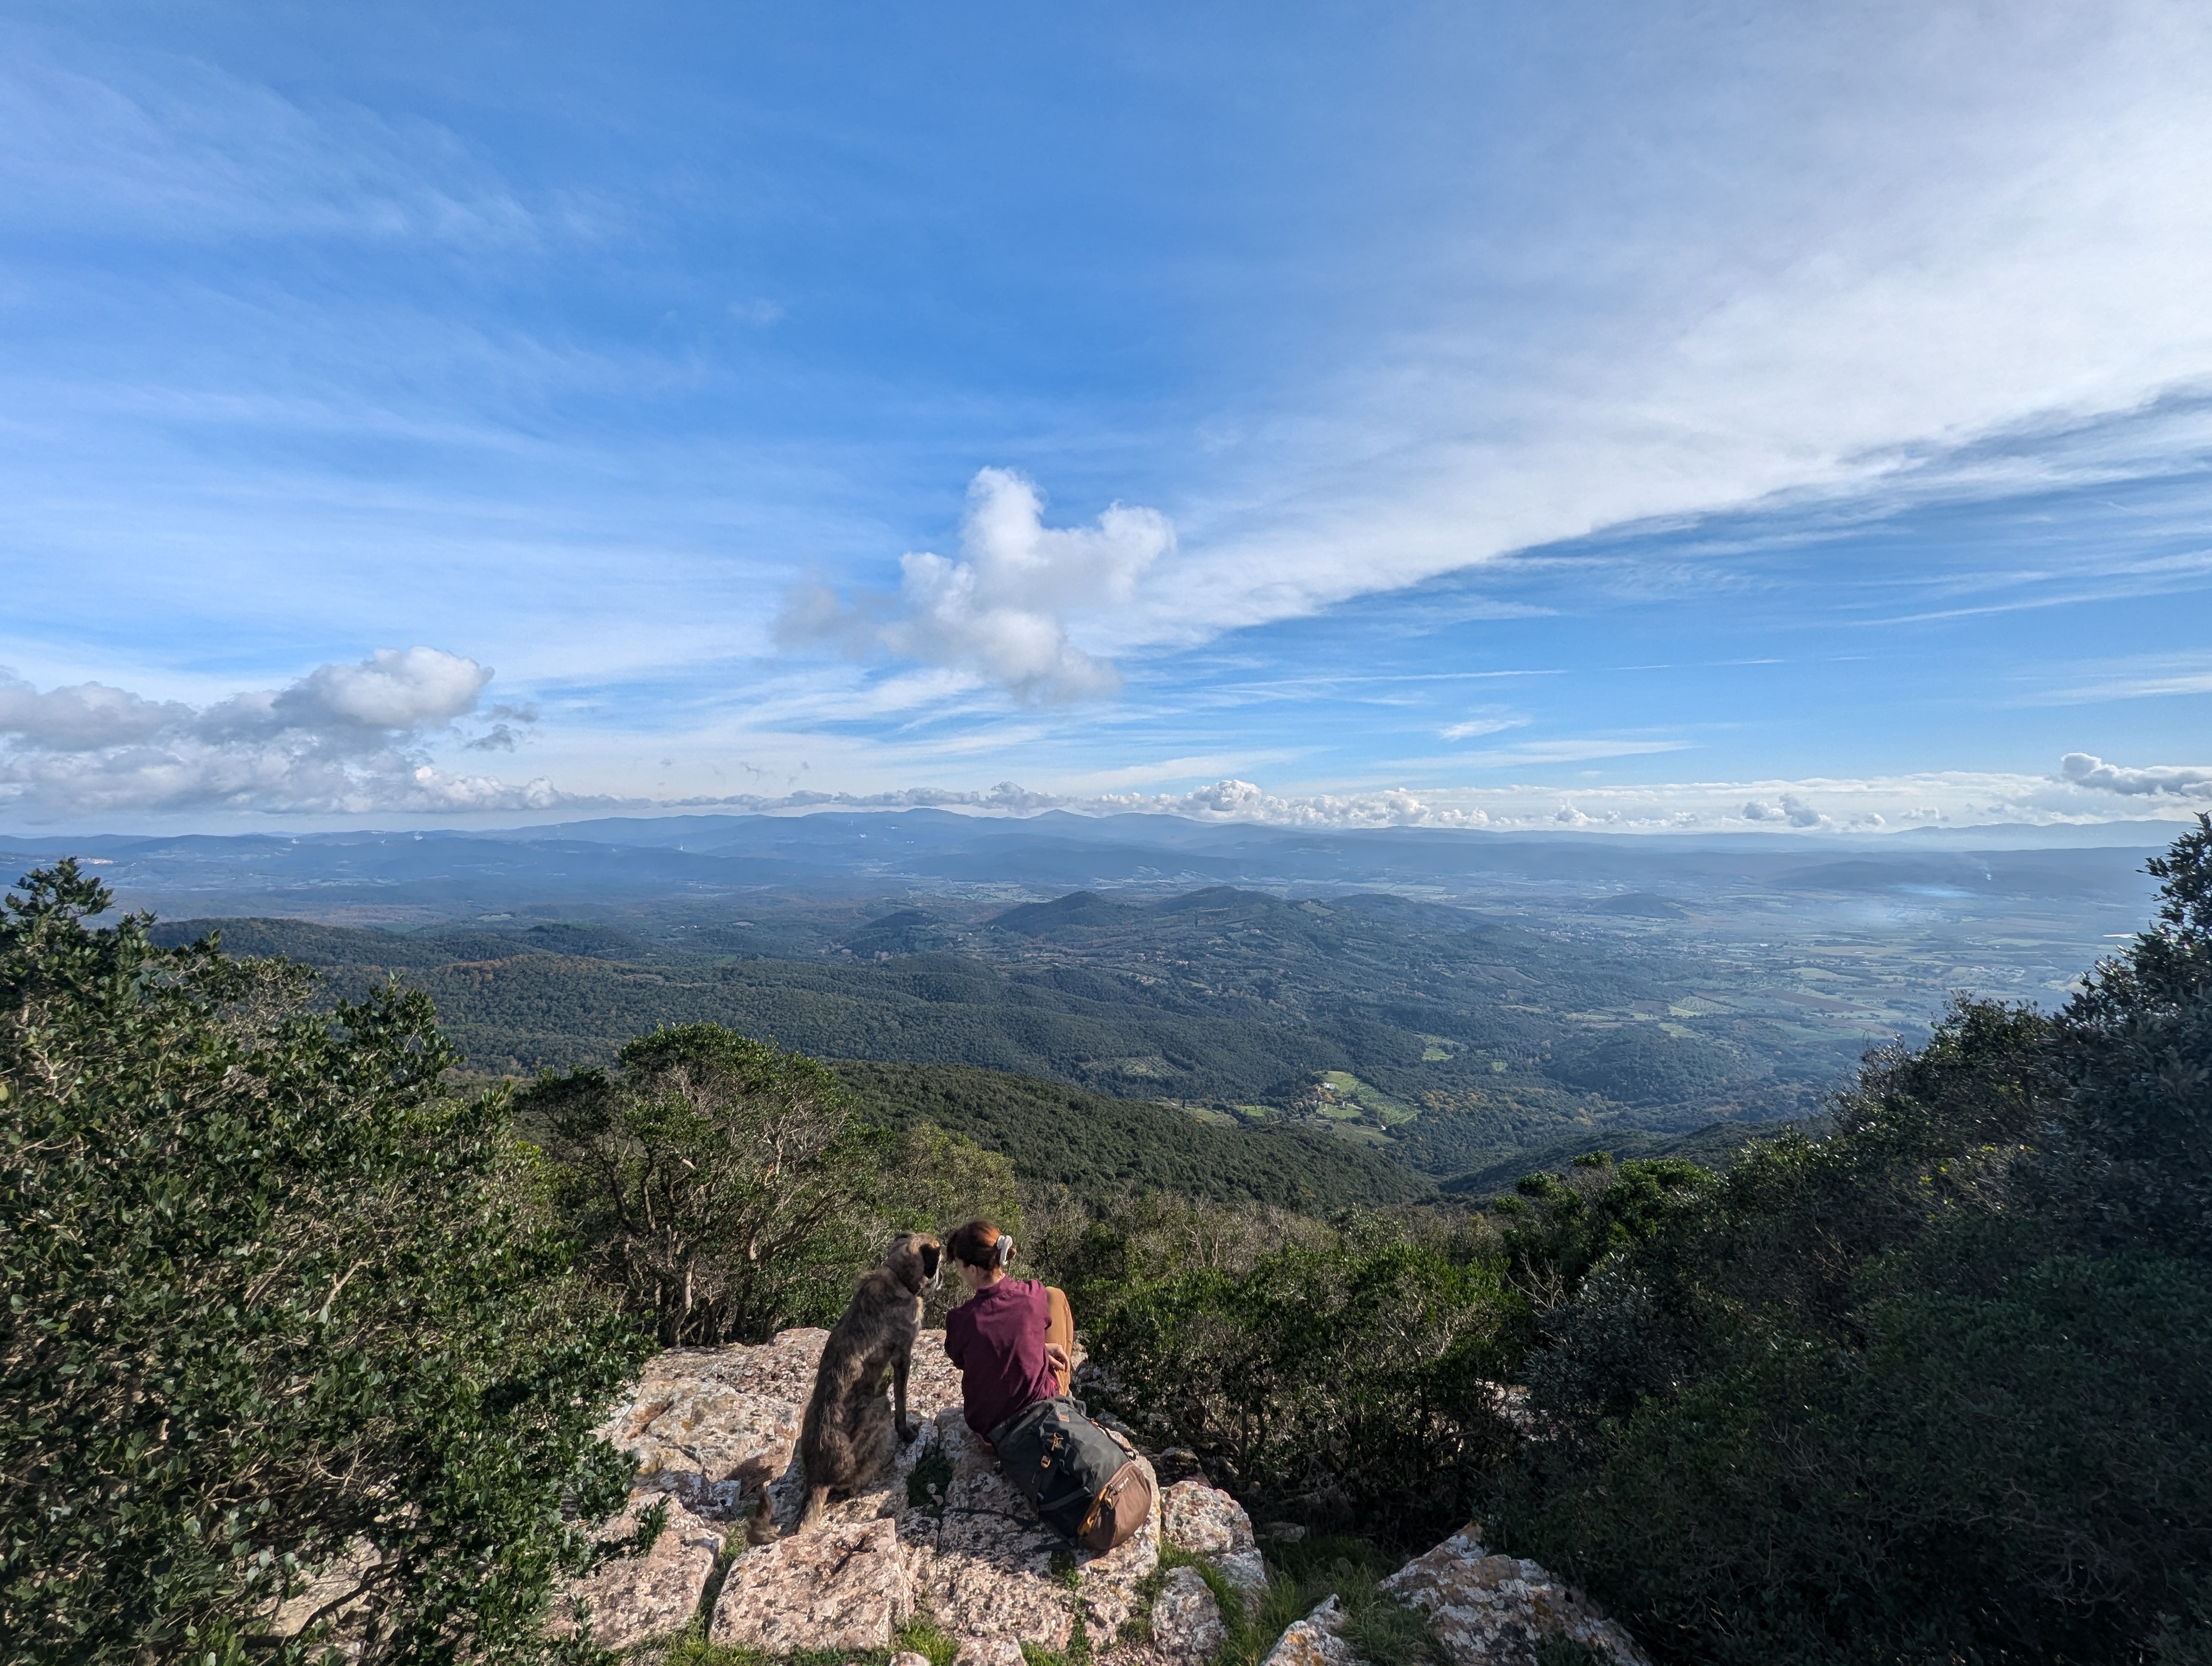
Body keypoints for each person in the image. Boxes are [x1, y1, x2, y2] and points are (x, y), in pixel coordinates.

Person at [941, 1218, 1075, 1443]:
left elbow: (964, 1358)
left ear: (972, 1269)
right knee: (1056, 1296)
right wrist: (1037, 1349)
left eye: (960, 1267)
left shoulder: (960, 1320)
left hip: (990, 1434)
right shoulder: (1033, 1295)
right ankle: (1063, 1393)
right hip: (1037, 1419)